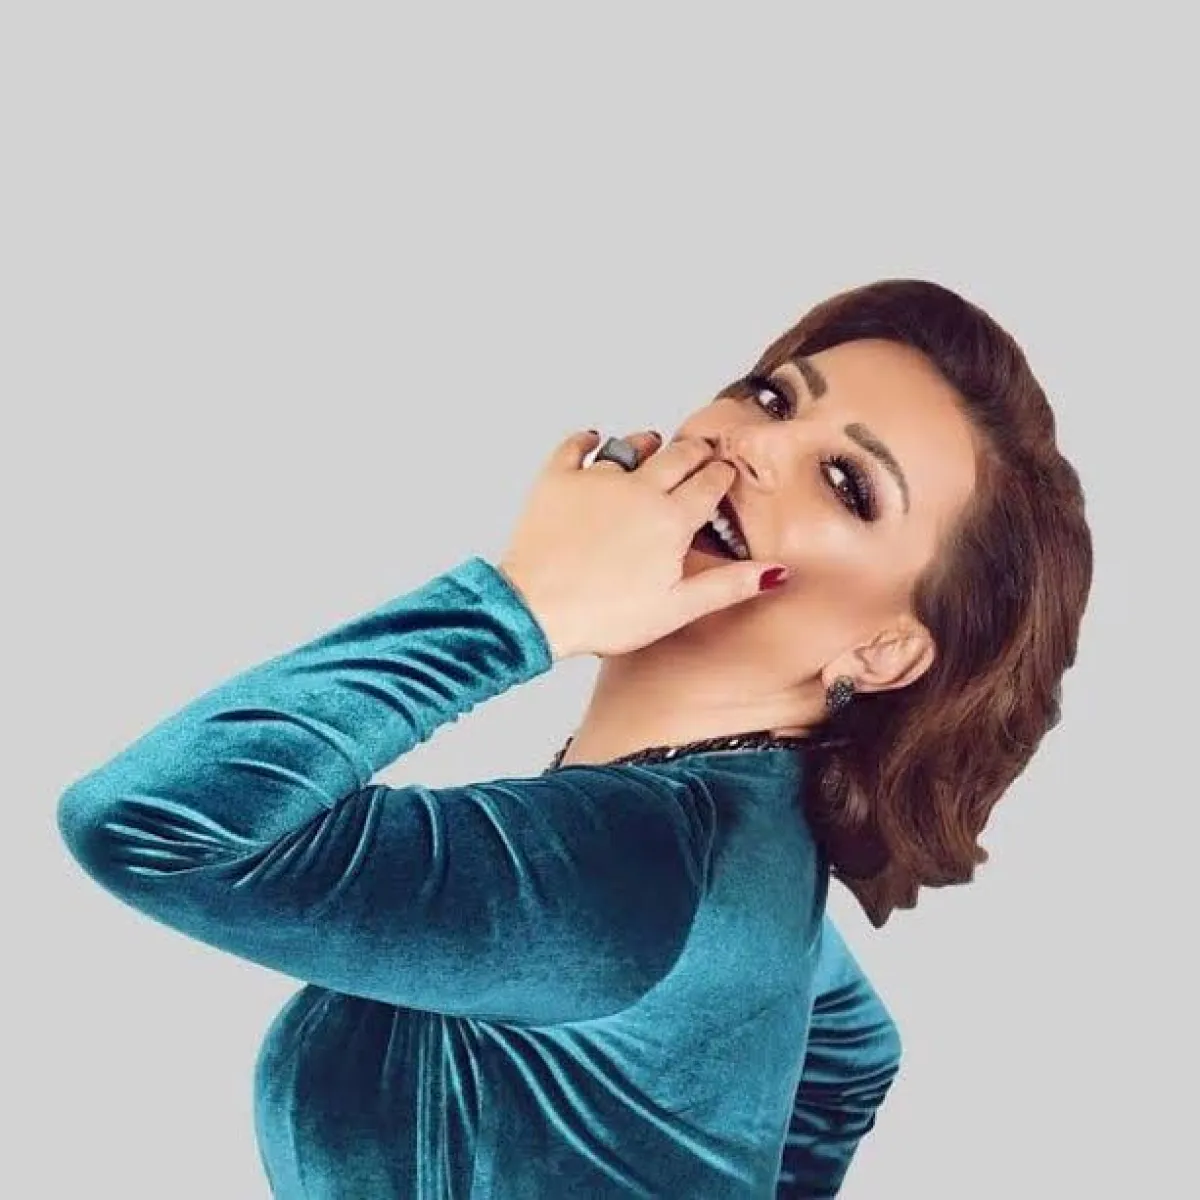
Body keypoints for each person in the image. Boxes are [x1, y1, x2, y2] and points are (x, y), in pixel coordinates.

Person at [57, 278, 1093, 1198]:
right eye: (774, 398)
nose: (752, 443)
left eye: (847, 483)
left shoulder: (630, 872)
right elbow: (850, 1056)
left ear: (883, 650)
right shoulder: (746, 833)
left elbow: (150, 825)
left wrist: (525, 607)